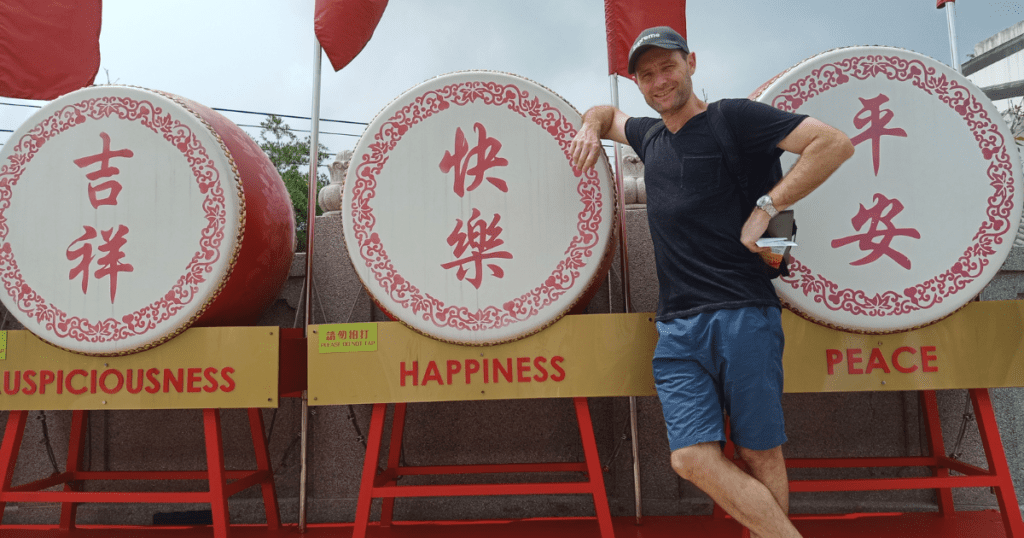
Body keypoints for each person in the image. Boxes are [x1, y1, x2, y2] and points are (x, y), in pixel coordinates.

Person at [569, 27, 854, 538]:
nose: (659, 80)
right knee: (690, 459)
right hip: (677, 325)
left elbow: (832, 144)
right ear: (637, 82)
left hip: (744, 310)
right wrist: (590, 128)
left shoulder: (733, 118)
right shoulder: (648, 136)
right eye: (646, 74)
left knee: (759, 451)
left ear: (691, 63)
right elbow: (605, 115)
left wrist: (769, 207)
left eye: (668, 66)